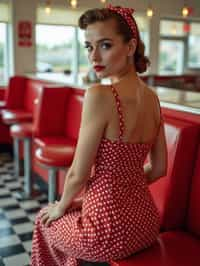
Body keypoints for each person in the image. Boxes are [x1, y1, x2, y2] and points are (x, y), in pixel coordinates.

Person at [31, 5, 167, 266]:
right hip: (147, 224)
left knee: (43, 218)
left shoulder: (100, 95)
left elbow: (77, 174)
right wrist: (87, 200)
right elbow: (160, 168)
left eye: (105, 45)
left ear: (130, 46)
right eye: (88, 46)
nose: (94, 56)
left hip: (107, 232)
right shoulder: (153, 99)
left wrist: (61, 206)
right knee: (70, 222)